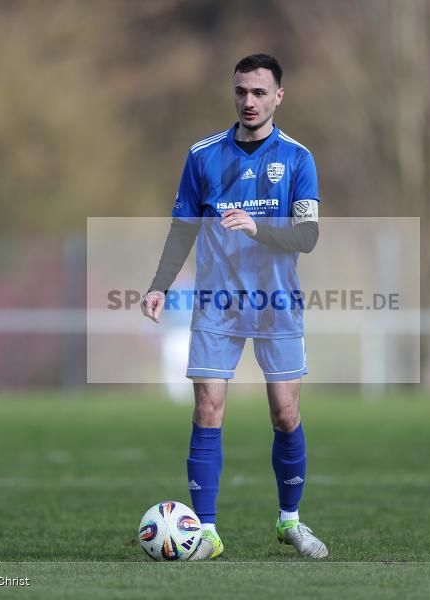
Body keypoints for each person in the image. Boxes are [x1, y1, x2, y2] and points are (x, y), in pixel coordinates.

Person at [141, 54, 327, 559]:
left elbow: (308, 236)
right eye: (242, 91)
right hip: (217, 304)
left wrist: (258, 228)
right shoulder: (203, 156)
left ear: (278, 97)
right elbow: (182, 228)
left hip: (276, 304)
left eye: (260, 93)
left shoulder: (297, 159)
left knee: (286, 414)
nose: (249, 101)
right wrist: (159, 286)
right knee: (207, 409)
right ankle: (205, 531)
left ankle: (290, 520)